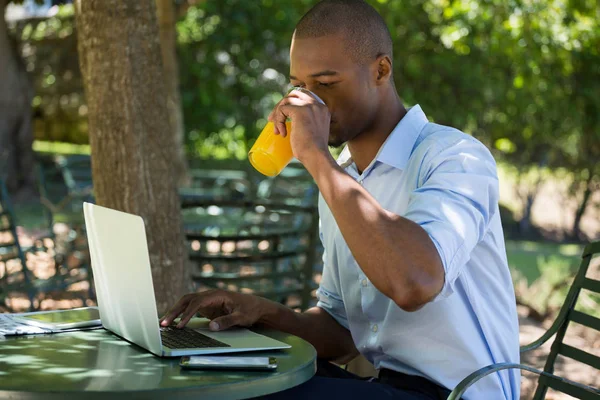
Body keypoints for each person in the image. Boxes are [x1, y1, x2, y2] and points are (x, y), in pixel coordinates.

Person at [161, 1, 520, 399]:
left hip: (455, 393)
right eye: (298, 85)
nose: (306, 102)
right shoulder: (342, 178)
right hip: (382, 385)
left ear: (381, 71)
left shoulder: (455, 157)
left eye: (326, 84)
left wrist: (316, 158)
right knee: (214, 380)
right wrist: (261, 311)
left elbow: (415, 283)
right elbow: (342, 333)